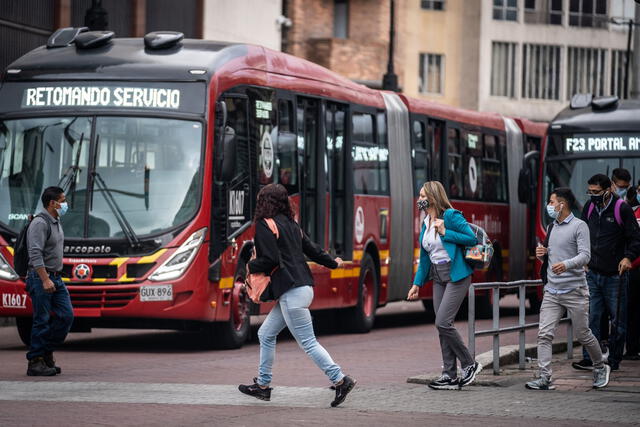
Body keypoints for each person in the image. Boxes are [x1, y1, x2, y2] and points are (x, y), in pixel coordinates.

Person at [238, 184, 355, 407]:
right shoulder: (291, 224)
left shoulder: (265, 225)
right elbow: (312, 249)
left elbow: (270, 259)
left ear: (265, 202)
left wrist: (250, 264)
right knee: (265, 334)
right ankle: (262, 386)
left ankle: (340, 380)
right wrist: (333, 263)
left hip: (291, 292)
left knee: (308, 343)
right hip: (301, 288)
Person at [526, 187, 610, 390]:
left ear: (562, 204)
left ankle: (600, 366)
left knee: (583, 334)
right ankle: (545, 377)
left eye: (552, 202)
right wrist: (542, 253)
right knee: (544, 334)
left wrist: (567, 264)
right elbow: (552, 255)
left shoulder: (580, 226)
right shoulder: (551, 227)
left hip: (575, 291)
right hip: (552, 292)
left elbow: (585, 256)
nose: (549, 206)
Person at [407, 181, 482, 390]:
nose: (419, 200)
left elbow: (470, 238)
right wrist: (416, 284)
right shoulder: (425, 222)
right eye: (419, 196)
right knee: (441, 326)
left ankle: (469, 364)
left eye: (423, 196)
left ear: (433, 197)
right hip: (438, 275)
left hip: (457, 274)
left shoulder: (450, 216)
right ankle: (449, 375)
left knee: (443, 322)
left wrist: (445, 232)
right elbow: (424, 259)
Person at [572, 174, 640, 372]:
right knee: (591, 318)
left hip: (615, 276)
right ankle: (590, 358)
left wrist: (628, 258)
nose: (592, 196)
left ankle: (614, 359)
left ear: (608, 190)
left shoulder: (622, 209)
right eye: (589, 192)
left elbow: (636, 239)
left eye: (596, 192)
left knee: (618, 321)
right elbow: (581, 234)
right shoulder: (589, 208)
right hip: (592, 273)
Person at [25, 186, 74, 376]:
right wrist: (45, 279)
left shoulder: (56, 221)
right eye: (62, 200)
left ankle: (45, 351)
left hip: (56, 277)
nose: (65, 204)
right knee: (42, 320)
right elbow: (35, 253)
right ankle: (36, 361)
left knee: (66, 316)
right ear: (52, 203)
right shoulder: (40, 223)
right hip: (40, 277)